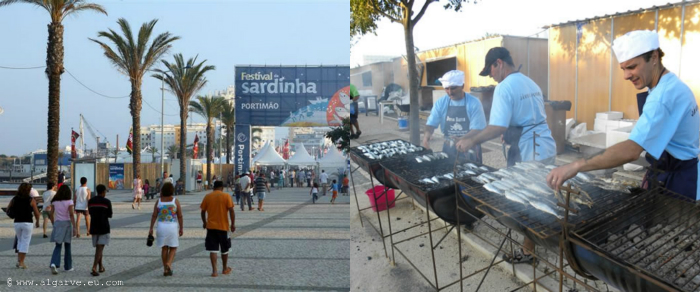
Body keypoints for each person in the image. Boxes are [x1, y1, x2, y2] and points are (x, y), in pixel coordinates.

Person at [548, 30, 700, 201]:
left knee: (671, 227)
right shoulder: (670, 85)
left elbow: (632, 151)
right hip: (670, 170)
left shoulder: (662, 97)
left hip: (677, 183)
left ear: (655, 57)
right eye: (623, 68)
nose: (626, 75)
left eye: (632, 67)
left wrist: (575, 166)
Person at [455, 47, 556, 265]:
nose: (491, 77)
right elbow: (528, 117)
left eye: (490, 71)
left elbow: (497, 126)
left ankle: (529, 252)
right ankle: (540, 239)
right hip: (546, 145)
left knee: (529, 200)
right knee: (542, 194)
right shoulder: (530, 82)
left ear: (498, 63)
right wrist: (511, 132)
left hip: (531, 150)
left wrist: (472, 140)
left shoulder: (504, 87)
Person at [422, 70, 487, 162]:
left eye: (453, 88)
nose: (450, 92)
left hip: (470, 146)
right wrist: (425, 139)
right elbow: (431, 124)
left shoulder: (474, 103)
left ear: (462, 86)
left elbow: (478, 129)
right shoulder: (441, 102)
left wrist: (462, 139)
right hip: (449, 146)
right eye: (447, 88)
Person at [200, 181, 235, 277]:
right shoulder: (226, 196)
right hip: (223, 227)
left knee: (213, 249)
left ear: (213, 188)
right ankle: (224, 268)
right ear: (222, 188)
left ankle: (214, 271)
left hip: (211, 227)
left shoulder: (208, 196)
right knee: (225, 249)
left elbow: (203, 211)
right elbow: (231, 211)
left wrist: (204, 222)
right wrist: (233, 224)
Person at [148, 183, 183, 277]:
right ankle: (169, 264)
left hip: (161, 227)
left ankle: (165, 270)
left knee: (164, 248)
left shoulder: (158, 201)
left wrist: (151, 228)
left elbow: (154, 215)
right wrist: (181, 228)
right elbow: (179, 216)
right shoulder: (175, 201)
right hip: (172, 227)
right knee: (173, 247)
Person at [7, 183, 41, 269]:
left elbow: (7, 209)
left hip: (17, 222)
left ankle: (19, 261)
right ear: (28, 190)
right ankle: (21, 262)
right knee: (25, 242)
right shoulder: (31, 200)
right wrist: (37, 221)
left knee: (20, 241)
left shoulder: (14, 199)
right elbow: (37, 213)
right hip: (27, 222)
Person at [49, 185, 77, 274]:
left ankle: (54, 263)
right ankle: (68, 266)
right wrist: (75, 227)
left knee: (58, 245)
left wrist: (54, 223)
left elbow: (51, 213)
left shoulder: (54, 202)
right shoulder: (69, 202)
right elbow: (71, 214)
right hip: (67, 224)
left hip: (58, 223)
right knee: (67, 245)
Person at [88, 184, 112, 277]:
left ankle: (101, 266)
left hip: (94, 226)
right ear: (103, 192)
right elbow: (110, 214)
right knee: (99, 247)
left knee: (99, 248)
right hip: (104, 227)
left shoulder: (91, 201)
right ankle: (94, 267)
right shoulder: (107, 202)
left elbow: (90, 213)